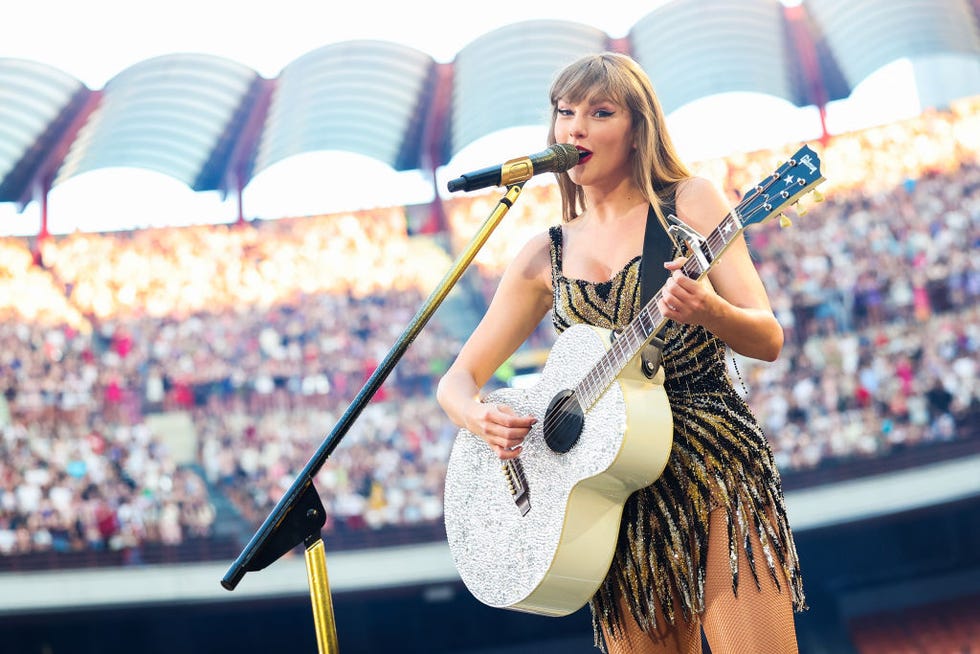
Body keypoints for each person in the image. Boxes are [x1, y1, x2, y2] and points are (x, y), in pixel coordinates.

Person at [436, 52, 806, 653]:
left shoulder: (690, 203)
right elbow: (455, 383)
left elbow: (767, 337)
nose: (574, 128)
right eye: (565, 112)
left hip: (713, 465)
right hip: (607, 497)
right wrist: (479, 418)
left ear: (638, 129)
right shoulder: (542, 255)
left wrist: (708, 309)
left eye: (599, 112)